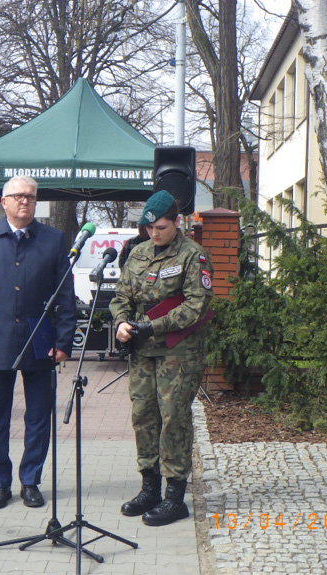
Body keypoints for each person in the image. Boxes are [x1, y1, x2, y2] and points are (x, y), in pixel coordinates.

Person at [0, 175, 75, 509]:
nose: (24, 201)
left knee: (39, 416)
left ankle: (30, 480)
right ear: (4, 201)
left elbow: (65, 296)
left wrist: (64, 341)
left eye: (30, 196)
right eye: (18, 196)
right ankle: (0, 483)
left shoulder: (54, 240)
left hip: (40, 343)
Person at [110, 190, 214, 527]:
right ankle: (149, 488)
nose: (154, 234)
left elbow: (196, 305)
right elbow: (121, 295)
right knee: (143, 415)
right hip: (143, 351)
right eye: (150, 228)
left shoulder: (192, 256)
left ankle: (175, 497)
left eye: (161, 227)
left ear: (177, 222)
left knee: (173, 419)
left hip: (177, 351)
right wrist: (122, 322)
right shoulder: (138, 253)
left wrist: (150, 327)